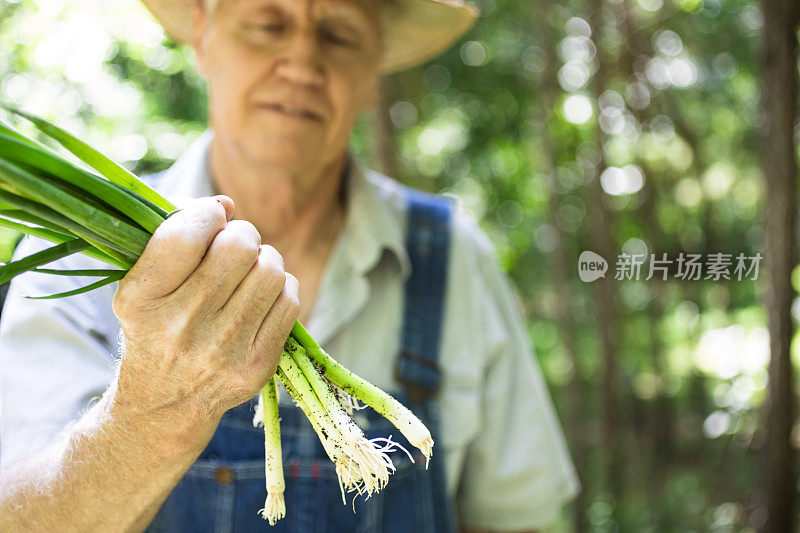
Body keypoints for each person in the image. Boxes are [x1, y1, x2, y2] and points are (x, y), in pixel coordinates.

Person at [0, 0, 580, 531]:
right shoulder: (80, 257)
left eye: (340, 34)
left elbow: (516, 521)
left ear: (374, 73)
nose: (301, 62)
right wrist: (152, 413)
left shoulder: (452, 260)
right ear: (204, 37)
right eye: (267, 22)